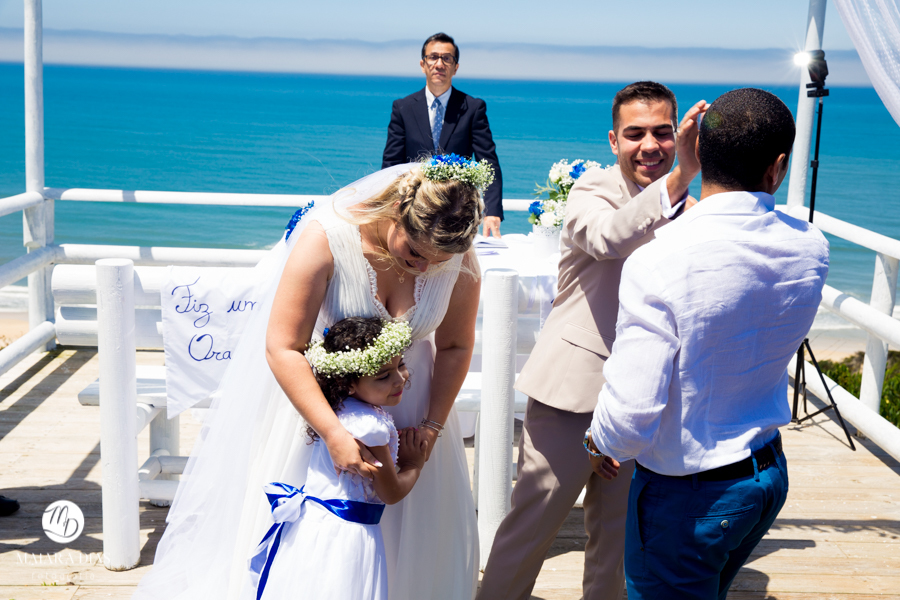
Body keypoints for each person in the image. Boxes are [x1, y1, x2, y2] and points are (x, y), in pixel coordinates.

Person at [133, 155, 492, 600]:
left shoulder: (454, 254)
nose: (424, 268)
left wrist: (432, 430)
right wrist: (333, 433)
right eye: (415, 254)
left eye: (437, 262)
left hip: (414, 412)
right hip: (322, 412)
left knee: (415, 546)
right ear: (398, 212)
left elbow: (456, 347)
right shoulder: (328, 237)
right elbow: (283, 346)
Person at [588, 88, 829, 599]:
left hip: (687, 494)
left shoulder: (662, 259)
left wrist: (598, 442)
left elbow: (631, 417)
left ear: (693, 150)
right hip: (766, 472)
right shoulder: (811, 246)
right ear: (777, 167)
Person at [477, 81, 708, 600]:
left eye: (663, 133)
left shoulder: (690, 212)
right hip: (573, 392)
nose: (650, 145)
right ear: (613, 140)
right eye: (635, 134)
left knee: (617, 540)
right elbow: (608, 238)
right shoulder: (592, 191)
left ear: (678, 134)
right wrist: (680, 179)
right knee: (531, 527)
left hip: (643, 398)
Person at [243, 317, 428, 600]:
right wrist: (414, 464)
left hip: (312, 527)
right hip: (349, 538)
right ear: (349, 383)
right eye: (383, 376)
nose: (399, 379)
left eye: (400, 365)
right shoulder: (372, 428)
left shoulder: (339, 411)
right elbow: (390, 492)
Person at [382, 32, 504, 238]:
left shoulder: (473, 108)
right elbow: (391, 165)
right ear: (423, 64)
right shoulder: (403, 108)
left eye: (447, 58)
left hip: (459, 214)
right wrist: (389, 208)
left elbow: (488, 163)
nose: (439, 64)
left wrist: (492, 211)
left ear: (455, 67)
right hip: (413, 214)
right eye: (433, 57)